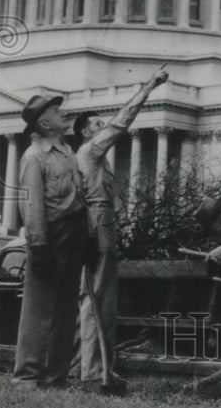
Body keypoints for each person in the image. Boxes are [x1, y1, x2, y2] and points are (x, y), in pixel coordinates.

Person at [73, 66, 169, 391]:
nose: (104, 128)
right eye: (97, 125)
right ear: (86, 133)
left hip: (99, 223)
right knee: (99, 299)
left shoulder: (92, 156)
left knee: (96, 298)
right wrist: (149, 86)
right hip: (99, 224)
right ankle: (94, 372)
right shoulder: (91, 151)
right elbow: (122, 121)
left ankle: (90, 368)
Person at [12, 94, 89, 389]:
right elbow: (31, 205)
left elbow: (78, 197)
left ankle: (56, 375)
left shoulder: (68, 151)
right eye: (57, 111)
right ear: (44, 122)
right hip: (49, 233)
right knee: (38, 308)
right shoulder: (35, 156)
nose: (64, 113)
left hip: (74, 231)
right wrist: (39, 245)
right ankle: (27, 376)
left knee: (66, 307)